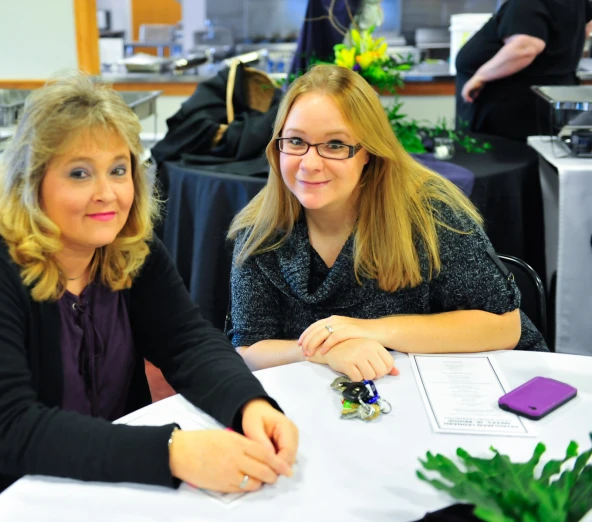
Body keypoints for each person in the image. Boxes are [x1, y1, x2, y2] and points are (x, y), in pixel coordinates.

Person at [0, 74, 298, 522]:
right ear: (33, 181)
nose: (107, 193)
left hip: (90, 478)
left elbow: (188, 342)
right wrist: (175, 451)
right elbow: (10, 430)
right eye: (79, 173)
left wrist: (248, 404)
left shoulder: (131, 250)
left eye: (118, 170)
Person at [227, 64, 548, 379]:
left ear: (368, 151)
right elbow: (248, 349)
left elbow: (505, 326)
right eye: (296, 141)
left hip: (468, 388)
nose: (310, 164)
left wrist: (369, 332)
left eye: (335, 145)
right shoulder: (261, 228)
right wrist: (324, 350)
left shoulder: (430, 213)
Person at [455, 0, 592, 141]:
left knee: (507, 158)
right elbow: (586, 27)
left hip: (512, 111)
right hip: (542, 103)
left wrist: (480, 76)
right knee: (529, 157)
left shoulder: (525, 3)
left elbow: (525, 48)